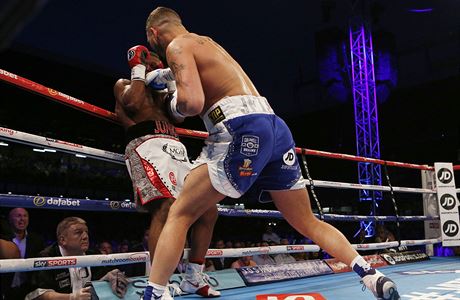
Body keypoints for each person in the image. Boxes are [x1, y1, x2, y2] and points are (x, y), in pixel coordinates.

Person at [141, 7, 400, 300]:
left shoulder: (176, 46)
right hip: (274, 127)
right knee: (306, 221)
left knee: (180, 212)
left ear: (154, 34)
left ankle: (154, 293)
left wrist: (170, 103)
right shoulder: (205, 42)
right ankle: (371, 275)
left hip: (240, 128)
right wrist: (166, 76)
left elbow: (192, 102)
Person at [113, 46, 219, 297]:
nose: (154, 67)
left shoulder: (161, 95)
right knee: (166, 207)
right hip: (146, 144)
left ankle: (193, 277)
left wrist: (171, 82)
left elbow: (180, 115)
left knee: (208, 209)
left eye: (157, 65)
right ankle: (156, 285)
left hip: (175, 148)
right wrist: (139, 68)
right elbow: (132, 102)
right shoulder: (124, 84)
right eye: (149, 63)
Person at [26, 217, 128, 299]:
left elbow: (102, 277)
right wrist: (71, 298)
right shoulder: (47, 258)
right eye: (78, 232)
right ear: (62, 240)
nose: (85, 236)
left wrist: (112, 275)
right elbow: (38, 294)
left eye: (86, 232)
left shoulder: (92, 255)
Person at [3, 208, 45, 300]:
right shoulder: (2, 239)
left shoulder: (37, 240)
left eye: (25, 216)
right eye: (18, 216)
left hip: (28, 288)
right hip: (5, 289)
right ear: (10, 219)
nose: (22, 219)